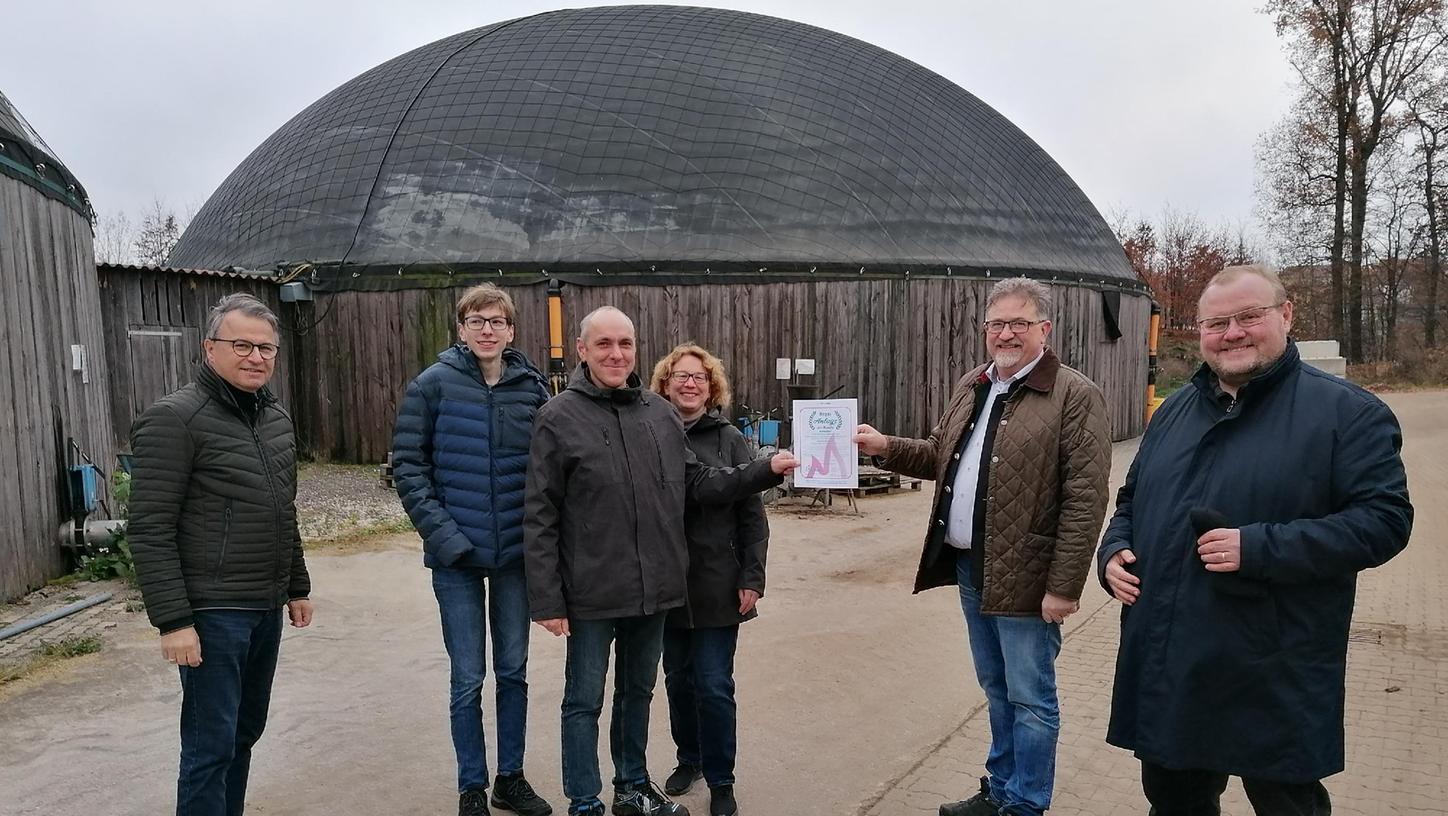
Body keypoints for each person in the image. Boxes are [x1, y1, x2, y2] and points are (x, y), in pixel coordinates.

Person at [1097, 264, 1413, 815]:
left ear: (1285, 315)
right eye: (1216, 322)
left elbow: (1385, 521)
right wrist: (1113, 550)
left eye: (1249, 316)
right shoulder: (1172, 413)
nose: (1232, 332)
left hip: (1274, 660)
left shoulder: (1348, 414)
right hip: (1174, 656)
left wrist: (1260, 547)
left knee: (1285, 803)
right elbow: (1131, 499)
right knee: (1174, 800)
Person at [524, 307, 796, 816]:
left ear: (636, 349)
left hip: (654, 591)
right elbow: (540, 513)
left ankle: (631, 788)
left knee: (637, 694)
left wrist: (765, 470)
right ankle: (585, 800)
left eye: (624, 343)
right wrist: (546, 597)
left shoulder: (659, 414)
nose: (615, 353)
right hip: (591, 592)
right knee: (583, 701)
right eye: (603, 344)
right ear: (581, 350)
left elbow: (698, 483)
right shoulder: (557, 416)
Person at [855, 277, 1112, 816]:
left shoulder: (1073, 394)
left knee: (1031, 700)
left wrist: (1064, 588)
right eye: (997, 323)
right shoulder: (975, 383)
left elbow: (1085, 500)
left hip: (1029, 577)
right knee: (997, 691)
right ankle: (999, 790)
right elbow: (937, 456)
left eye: (1020, 323)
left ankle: (1024, 805)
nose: (1006, 333)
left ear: (1045, 328)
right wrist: (884, 447)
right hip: (975, 569)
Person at [129, 293, 313, 816]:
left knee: (244, 733)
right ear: (210, 349)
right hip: (212, 613)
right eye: (242, 345)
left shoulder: (275, 418)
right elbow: (150, 527)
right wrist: (173, 621)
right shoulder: (174, 419)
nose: (256, 357)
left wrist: (296, 586)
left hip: (263, 605)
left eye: (266, 349)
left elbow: (283, 507)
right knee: (211, 745)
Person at [392, 283, 554, 816]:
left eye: (498, 322)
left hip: (514, 558)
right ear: (460, 328)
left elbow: (547, 470)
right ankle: (471, 787)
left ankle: (510, 777)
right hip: (456, 559)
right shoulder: (431, 386)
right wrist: (445, 537)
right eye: (477, 321)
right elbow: (410, 470)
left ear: (511, 330)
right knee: (468, 677)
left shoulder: (531, 389)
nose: (488, 330)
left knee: (513, 672)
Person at [648, 344, 769, 816]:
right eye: (680, 376)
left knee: (714, 684)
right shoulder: (651, 434)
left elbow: (752, 515)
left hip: (719, 582)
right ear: (665, 383)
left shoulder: (729, 439)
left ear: (711, 385)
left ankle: (722, 778)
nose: (689, 383)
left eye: (699, 376)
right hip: (666, 586)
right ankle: (689, 758)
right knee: (678, 680)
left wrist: (752, 576)